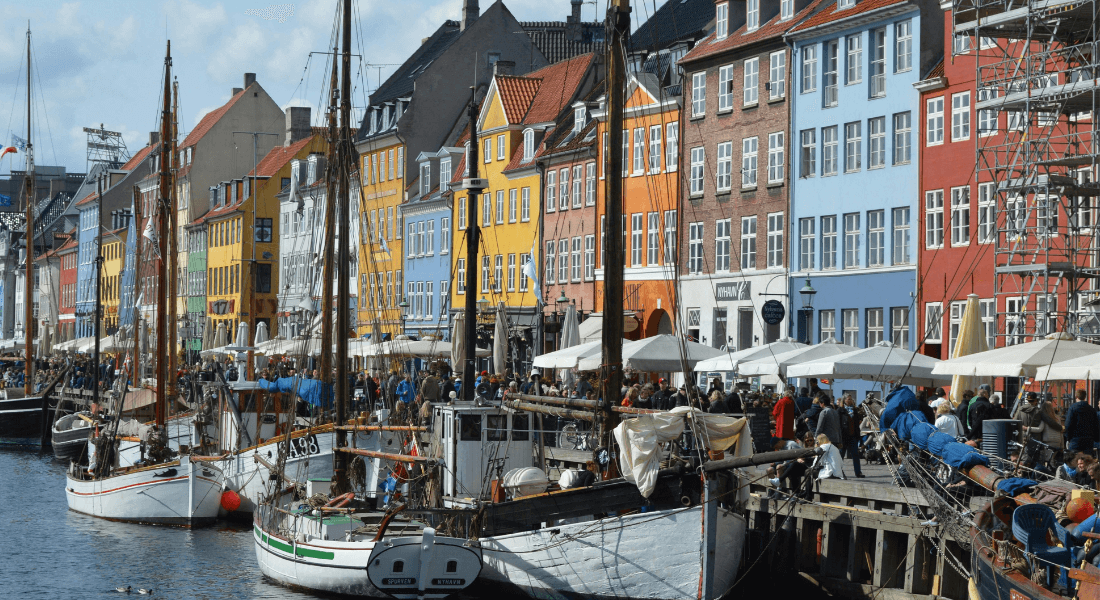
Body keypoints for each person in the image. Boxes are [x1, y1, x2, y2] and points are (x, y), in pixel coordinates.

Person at [1065, 389, 1099, 456]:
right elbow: (1096, 425)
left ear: (1076, 396)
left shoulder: (1073, 408)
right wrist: (1095, 438)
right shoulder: (1091, 409)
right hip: (1088, 440)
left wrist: (1068, 437)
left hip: (1075, 439)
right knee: (1087, 461)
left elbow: (1068, 425)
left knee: (1074, 461)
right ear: (1085, 397)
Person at [840, 395, 864, 478]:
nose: (850, 401)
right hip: (843, 436)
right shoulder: (841, 410)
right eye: (848, 399)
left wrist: (859, 438)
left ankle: (858, 472)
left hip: (853, 435)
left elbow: (857, 425)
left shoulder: (855, 410)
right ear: (844, 400)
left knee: (855, 454)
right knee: (841, 455)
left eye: (851, 399)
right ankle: (838, 472)